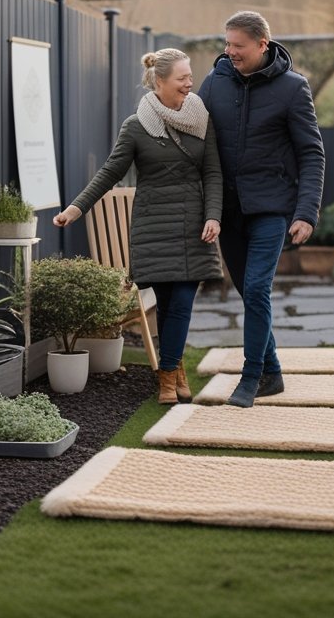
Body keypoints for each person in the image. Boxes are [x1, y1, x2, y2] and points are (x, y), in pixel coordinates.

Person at [53, 48, 222, 405]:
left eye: (190, 76)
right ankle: (173, 371)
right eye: (182, 78)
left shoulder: (202, 119)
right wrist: (76, 208)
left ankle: (166, 372)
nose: (190, 84)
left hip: (193, 224)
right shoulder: (136, 126)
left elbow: (213, 173)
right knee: (167, 301)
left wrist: (213, 215)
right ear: (159, 81)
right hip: (153, 225)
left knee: (182, 303)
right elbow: (110, 172)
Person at [198, 11, 325, 407]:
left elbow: (311, 153)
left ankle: (250, 377)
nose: (229, 51)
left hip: (272, 207)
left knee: (256, 288)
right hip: (228, 211)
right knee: (248, 293)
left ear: (261, 44)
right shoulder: (214, 83)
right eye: (227, 44)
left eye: (238, 45)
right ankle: (274, 372)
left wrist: (306, 212)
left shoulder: (292, 88)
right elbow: (192, 135)